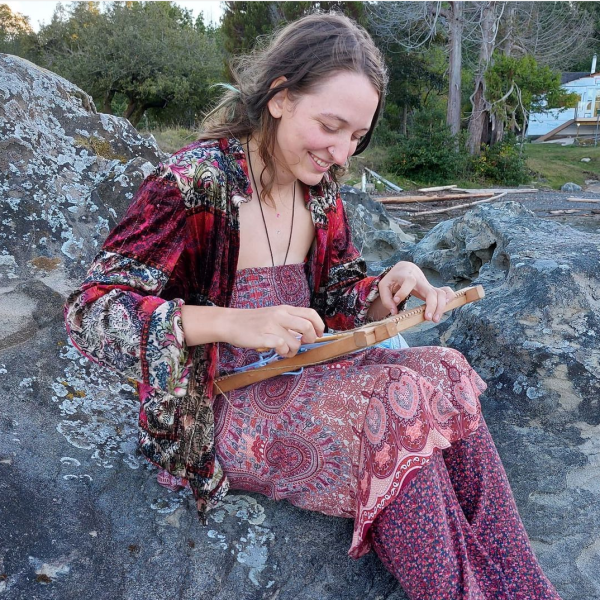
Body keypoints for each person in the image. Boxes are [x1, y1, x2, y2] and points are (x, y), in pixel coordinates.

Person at [64, 12, 561, 600]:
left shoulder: (317, 190)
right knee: (396, 401)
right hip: (220, 405)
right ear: (279, 98)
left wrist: (385, 293)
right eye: (331, 126)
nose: (343, 154)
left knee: (446, 372)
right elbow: (92, 313)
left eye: (356, 137)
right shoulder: (193, 184)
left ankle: (524, 590)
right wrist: (233, 321)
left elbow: (338, 296)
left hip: (309, 377)